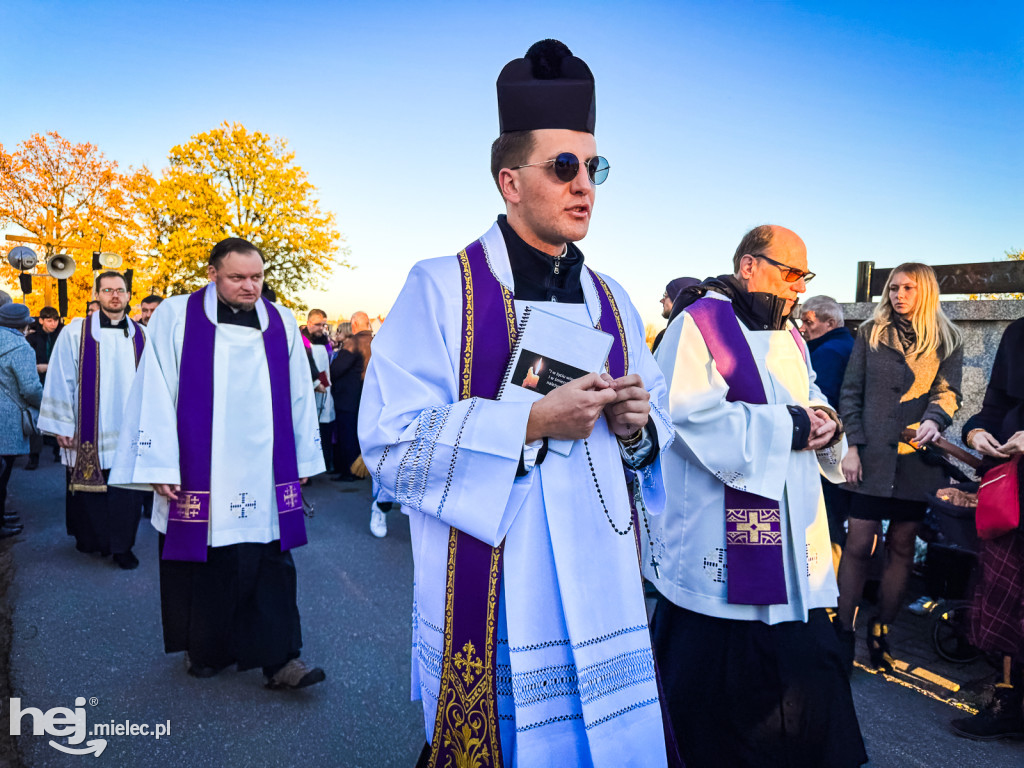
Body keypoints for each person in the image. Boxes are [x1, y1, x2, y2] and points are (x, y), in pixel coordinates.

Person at [359, 40, 678, 768]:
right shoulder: (443, 288)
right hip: (502, 582)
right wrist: (531, 421)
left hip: (602, 583)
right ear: (509, 179)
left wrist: (637, 428)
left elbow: (655, 433)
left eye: (593, 167)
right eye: (562, 167)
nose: (584, 185)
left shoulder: (615, 300)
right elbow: (387, 443)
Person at [647, 224, 867, 768]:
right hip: (730, 531)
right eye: (789, 273)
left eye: (804, 277)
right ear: (749, 264)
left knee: (805, 670)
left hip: (792, 537)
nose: (797, 287)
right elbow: (689, 415)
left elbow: (811, 396)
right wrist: (791, 427)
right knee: (717, 693)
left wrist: (828, 426)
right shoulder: (699, 323)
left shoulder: (791, 334)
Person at [110, 237, 326, 690]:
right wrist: (161, 466)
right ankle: (206, 649)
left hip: (263, 467)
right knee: (203, 564)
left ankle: (282, 660)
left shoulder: (281, 320)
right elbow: (153, 389)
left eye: (257, 277)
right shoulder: (176, 315)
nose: (250, 287)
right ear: (212, 274)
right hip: (199, 468)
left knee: (271, 563)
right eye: (237, 278)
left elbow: (300, 394)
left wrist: (302, 457)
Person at [837, 262, 962, 671]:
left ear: (924, 291)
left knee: (902, 548)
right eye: (893, 288)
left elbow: (948, 393)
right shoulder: (870, 333)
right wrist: (852, 446)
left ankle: (882, 628)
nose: (898, 295)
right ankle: (842, 629)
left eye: (907, 288)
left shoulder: (947, 338)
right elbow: (850, 392)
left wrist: (934, 419)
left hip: (915, 463)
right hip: (870, 458)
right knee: (857, 546)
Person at [38, 272, 147, 569]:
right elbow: (60, 378)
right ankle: (92, 540)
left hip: (129, 430)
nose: (114, 295)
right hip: (88, 428)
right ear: (97, 295)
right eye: (107, 290)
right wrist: (61, 424)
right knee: (89, 494)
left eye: (120, 290)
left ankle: (123, 547)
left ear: (128, 295)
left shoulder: (141, 335)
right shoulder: (76, 333)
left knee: (128, 493)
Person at [948, 317, 1024, 740]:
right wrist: (975, 430)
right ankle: (1007, 704)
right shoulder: (1017, 332)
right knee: (1005, 600)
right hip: (1011, 490)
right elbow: (995, 404)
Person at [800, 295, 855, 547]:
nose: (802, 328)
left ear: (830, 323)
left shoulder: (827, 353)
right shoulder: (850, 345)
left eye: (808, 321)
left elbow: (822, 407)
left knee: (829, 526)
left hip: (831, 451)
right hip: (851, 448)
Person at [0, 304, 42, 538]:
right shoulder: (21, 347)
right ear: (24, 324)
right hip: (7, 420)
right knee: (3, 473)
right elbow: (30, 388)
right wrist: (46, 402)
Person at [25, 306, 63, 469]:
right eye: (49, 320)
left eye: (55, 320)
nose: (53, 324)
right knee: (37, 420)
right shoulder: (32, 339)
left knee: (57, 415)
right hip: (38, 381)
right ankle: (34, 457)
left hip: (56, 381)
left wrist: (47, 367)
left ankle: (57, 451)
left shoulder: (62, 336)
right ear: (41, 321)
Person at [303, 309, 335, 475]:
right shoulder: (302, 341)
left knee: (325, 428)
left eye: (324, 325)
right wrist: (315, 382)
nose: (321, 328)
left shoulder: (326, 342)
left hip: (326, 391)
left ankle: (324, 462)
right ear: (308, 323)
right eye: (317, 324)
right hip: (309, 391)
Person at [651, 277, 698, 353]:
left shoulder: (666, 337)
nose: (661, 301)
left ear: (678, 299)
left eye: (666, 296)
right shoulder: (705, 336)